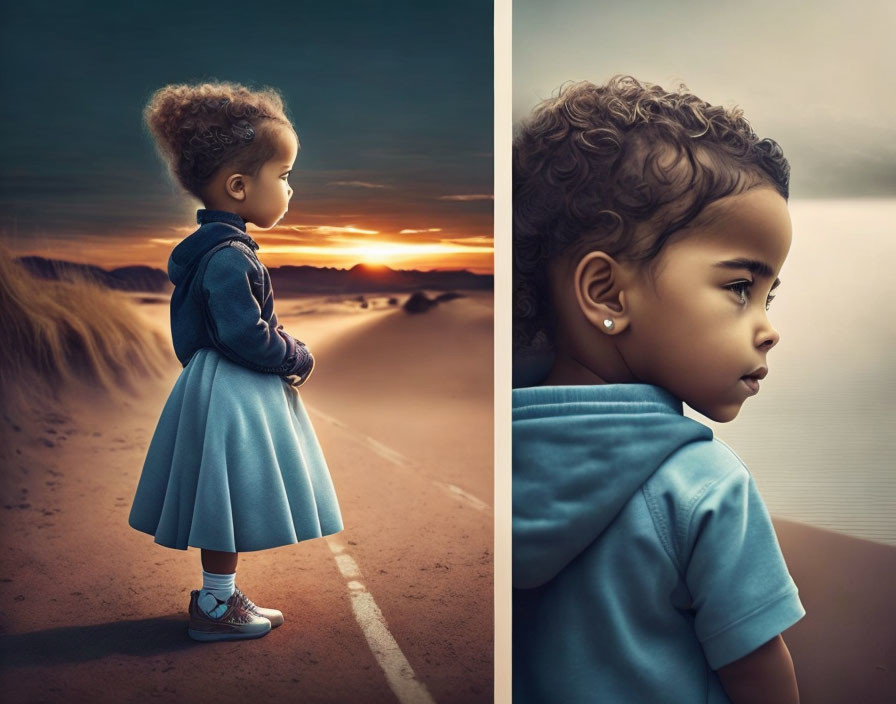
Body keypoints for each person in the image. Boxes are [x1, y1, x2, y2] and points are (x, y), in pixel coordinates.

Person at [512, 76, 805, 703]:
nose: (768, 330)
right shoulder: (705, 485)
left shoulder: (493, 457)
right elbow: (760, 675)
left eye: (768, 296)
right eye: (738, 288)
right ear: (608, 293)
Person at [128, 82, 343, 642]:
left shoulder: (219, 250)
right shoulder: (228, 257)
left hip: (218, 384)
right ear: (240, 186)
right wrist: (296, 354)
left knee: (225, 495)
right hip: (231, 390)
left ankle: (219, 599)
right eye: (285, 174)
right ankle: (217, 607)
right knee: (223, 498)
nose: (291, 189)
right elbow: (243, 332)